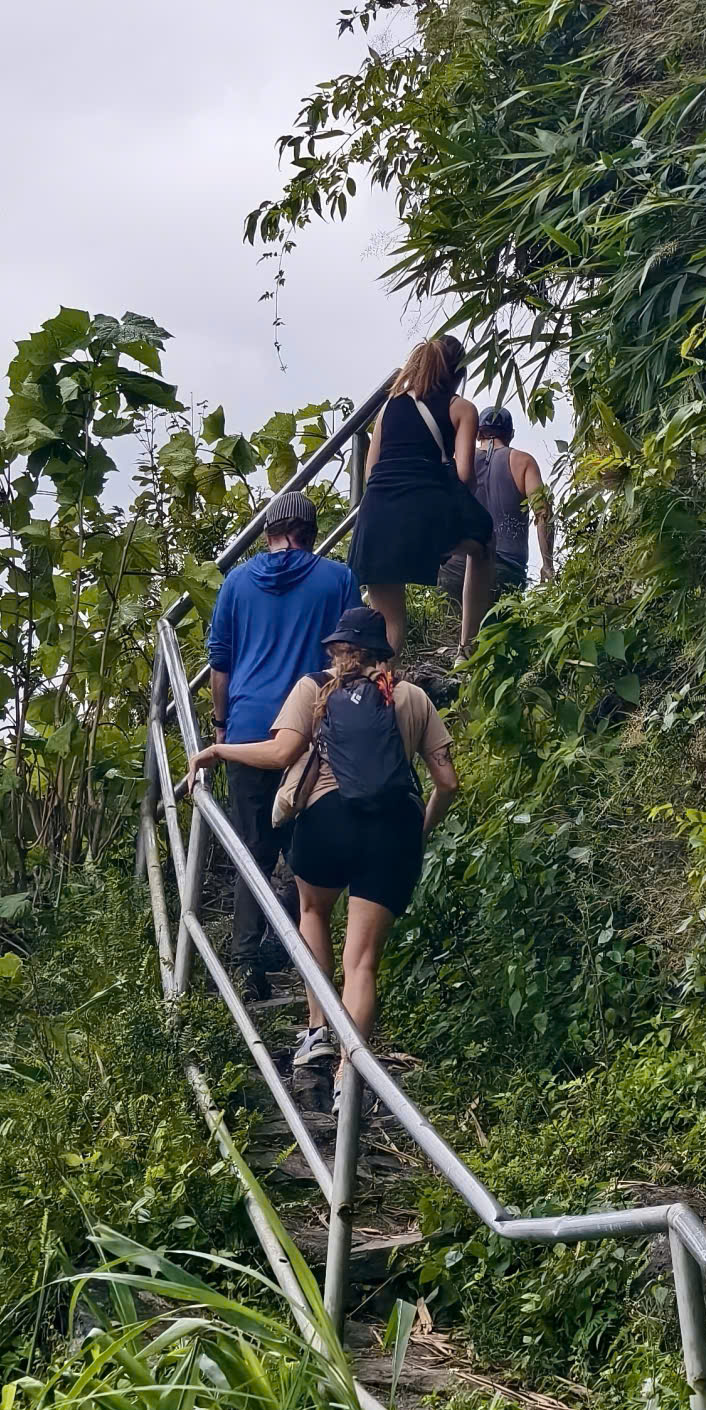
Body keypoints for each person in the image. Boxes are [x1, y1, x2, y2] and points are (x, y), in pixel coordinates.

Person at [188, 604, 457, 1111]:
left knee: (312, 911)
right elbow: (447, 782)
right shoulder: (413, 696)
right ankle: (349, 1077)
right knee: (363, 964)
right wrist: (420, 828)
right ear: (383, 652)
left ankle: (317, 1031)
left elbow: (280, 755)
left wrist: (218, 751)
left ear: (337, 651)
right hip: (394, 828)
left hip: (327, 820)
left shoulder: (315, 688)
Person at [205, 486, 358, 996]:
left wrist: (221, 728)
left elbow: (220, 668)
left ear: (268, 532)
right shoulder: (336, 579)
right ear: (310, 535)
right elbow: (352, 656)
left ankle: (248, 966)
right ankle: (295, 943)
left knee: (252, 850)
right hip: (312, 735)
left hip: (248, 733)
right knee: (310, 848)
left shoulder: (234, 583)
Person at [349, 335, 494, 657]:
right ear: (458, 373)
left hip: (377, 515)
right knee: (483, 544)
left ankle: (378, 692)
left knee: (389, 623)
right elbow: (465, 475)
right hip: (424, 509)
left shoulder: (388, 407)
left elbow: (371, 472)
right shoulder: (462, 408)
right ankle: (466, 648)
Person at [437, 405, 555, 608]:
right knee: (498, 636)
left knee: (454, 635)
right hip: (505, 569)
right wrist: (547, 564)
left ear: (477, 434)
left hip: (456, 568)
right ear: (510, 434)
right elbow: (543, 513)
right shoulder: (523, 462)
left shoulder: (459, 461)